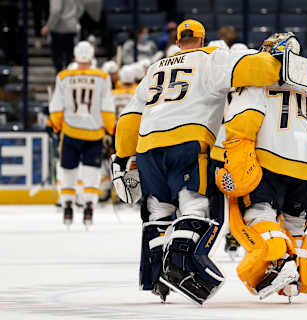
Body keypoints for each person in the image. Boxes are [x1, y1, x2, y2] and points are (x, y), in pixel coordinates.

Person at [111, 19, 283, 304]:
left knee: (159, 210)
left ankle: (157, 278)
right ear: (203, 40)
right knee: (196, 205)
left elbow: (129, 119)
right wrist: (278, 62)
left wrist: (121, 156)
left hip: (147, 146)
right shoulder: (211, 59)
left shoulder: (155, 68)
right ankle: (177, 264)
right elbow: (254, 69)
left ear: (178, 42)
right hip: (188, 142)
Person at [214, 33, 307, 301]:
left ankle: (280, 260)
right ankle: (295, 279)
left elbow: (242, 122)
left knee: (258, 215)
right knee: (295, 226)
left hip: (269, 163)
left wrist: (229, 159)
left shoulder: (257, 78)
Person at [48, 41, 115, 226]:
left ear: (76, 56)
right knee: (91, 171)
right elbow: (107, 106)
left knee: (68, 170)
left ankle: (68, 204)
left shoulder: (64, 76)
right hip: (94, 134)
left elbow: (57, 105)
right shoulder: (102, 77)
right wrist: (111, 129)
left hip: (71, 131)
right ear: (92, 56)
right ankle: (89, 206)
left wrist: (53, 124)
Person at [41, 0, 83, 72]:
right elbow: (80, 8)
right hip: (71, 27)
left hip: (59, 28)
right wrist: (73, 18)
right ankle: (68, 78)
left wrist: (48, 26)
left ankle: (61, 79)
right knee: (69, 57)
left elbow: (56, 11)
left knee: (58, 58)